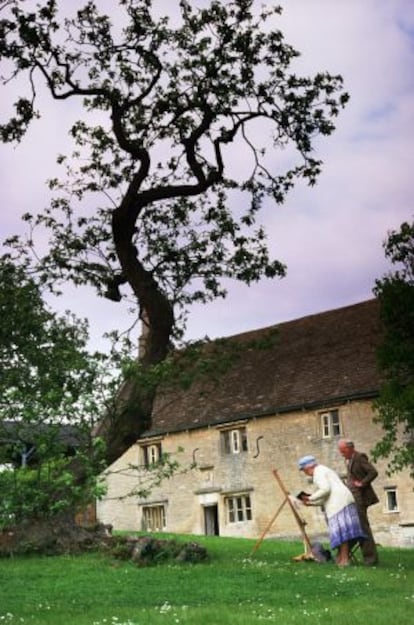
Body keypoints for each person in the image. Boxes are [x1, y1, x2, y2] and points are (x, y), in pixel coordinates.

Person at [297, 454, 366, 567]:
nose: (305, 473)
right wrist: (311, 503)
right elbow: (325, 496)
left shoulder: (318, 472)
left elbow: (325, 489)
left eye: (304, 470)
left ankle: (344, 560)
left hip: (338, 504)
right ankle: (342, 559)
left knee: (342, 534)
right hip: (344, 501)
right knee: (345, 534)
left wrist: (309, 498)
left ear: (308, 467)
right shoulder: (324, 470)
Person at [338, 439, 379, 566]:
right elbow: (352, 476)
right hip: (353, 498)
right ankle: (343, 555)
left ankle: (370, 559)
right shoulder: (349, 460)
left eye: (343, 450)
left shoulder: (359, 457)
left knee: (363, 528)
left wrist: (362, 483)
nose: (341, 453)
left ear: (350, 448)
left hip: (360, 498)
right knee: (356, 527)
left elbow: (373, 472)